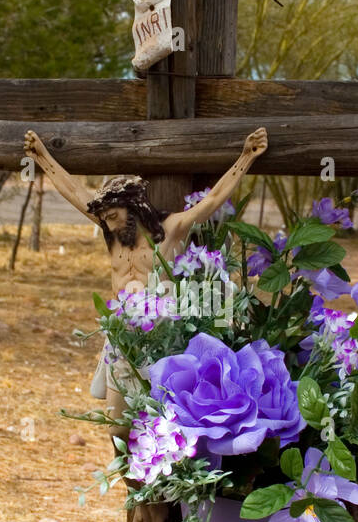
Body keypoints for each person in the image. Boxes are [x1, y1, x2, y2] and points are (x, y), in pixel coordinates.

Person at [22, 126, 269, 417]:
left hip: (160, 338)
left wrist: (246, 156)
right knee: (116, 424)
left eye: (113, 216)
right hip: (122, 337)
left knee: (159, 418)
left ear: (135, 208)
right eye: (103, 217)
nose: (107, 223)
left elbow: (213, 200)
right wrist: (42, 157)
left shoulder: (170, 230)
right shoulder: (110, 231)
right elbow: (74, 191)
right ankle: (122, 459)